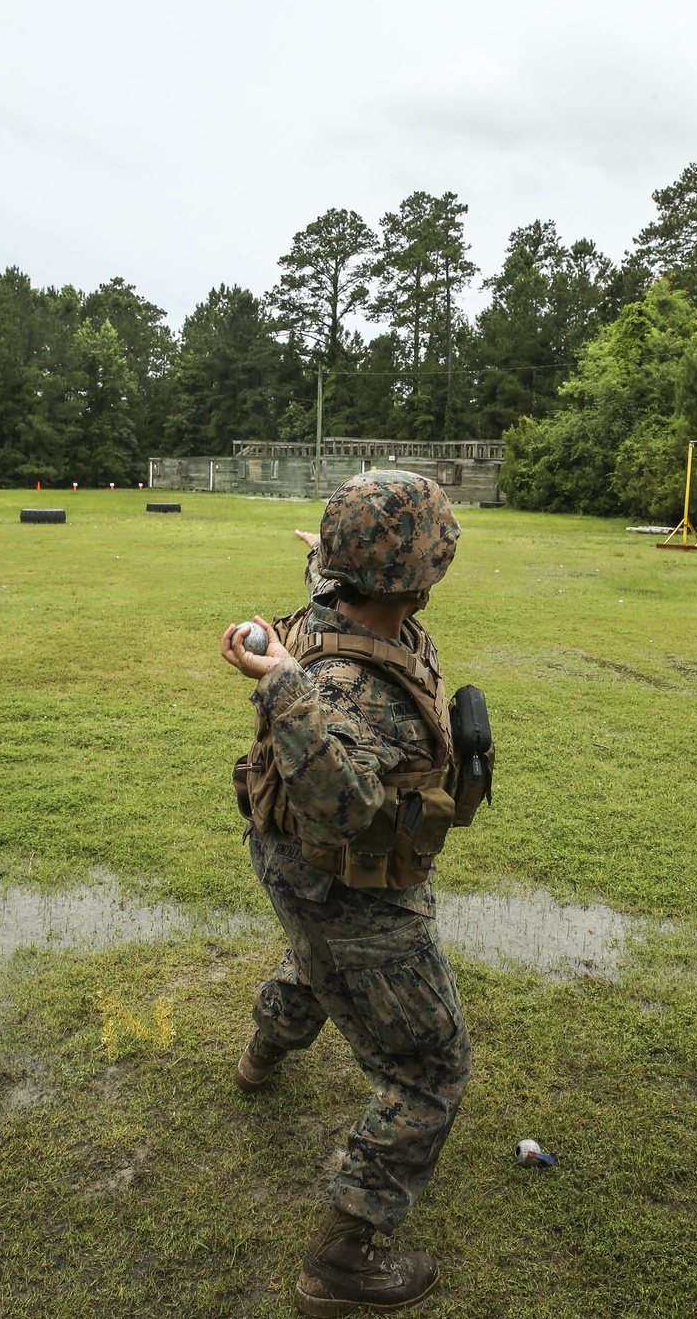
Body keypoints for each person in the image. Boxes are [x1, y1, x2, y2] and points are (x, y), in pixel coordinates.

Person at [221, 470, 473, 1317]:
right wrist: (283, 680)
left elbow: (329, 582)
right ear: (418, 575)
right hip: (348, 886)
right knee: (430, 1066)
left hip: (298, 879)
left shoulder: (344, 599)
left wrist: (321, 559)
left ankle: (262, 1052)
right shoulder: (339, 689)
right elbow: (341, 809)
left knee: (319, 963)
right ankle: (342, 1259)